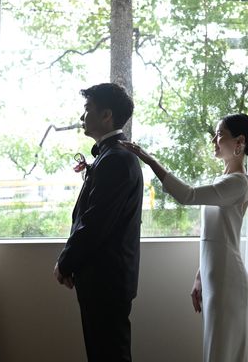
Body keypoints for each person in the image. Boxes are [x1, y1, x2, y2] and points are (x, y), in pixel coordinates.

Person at [121, 113, 248, 362]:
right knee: (217, 351)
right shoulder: (225, 181)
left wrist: (149, 159)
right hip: (215, 278)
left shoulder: (239, 184)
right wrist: (200, 276)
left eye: (220, 135)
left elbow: (187, 195)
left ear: (239, 142)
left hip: (228, 281)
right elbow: (216, 236)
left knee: (221, 353)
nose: (214, 140)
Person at [54, 83, 143, 362]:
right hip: (105, 278)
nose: (82, 116)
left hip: (106, 280)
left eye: (87, 109)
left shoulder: (116, 159)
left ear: (106, 115)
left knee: (109, 355)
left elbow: (95, 222)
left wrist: (66, 262)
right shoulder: (113, 155)